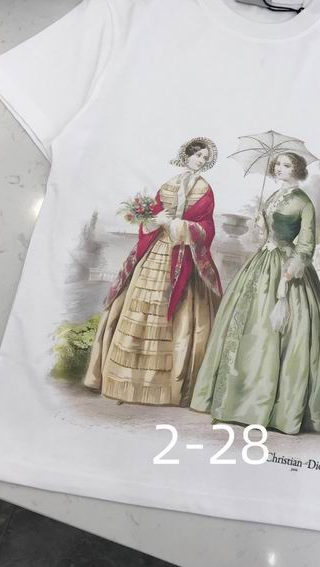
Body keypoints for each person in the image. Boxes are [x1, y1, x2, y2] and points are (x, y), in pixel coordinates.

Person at [191, 152, 320, 434]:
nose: (279, 169)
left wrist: (291, 270)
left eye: (286, 165)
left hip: (285, 266)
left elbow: (306, 244)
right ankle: (236, 400)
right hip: (261, 262)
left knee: (276, 335)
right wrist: (260, 226)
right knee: (246, 328)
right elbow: (264, 236)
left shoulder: (302, 201)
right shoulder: (274, 196)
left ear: (297, 169)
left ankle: (272, 408)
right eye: (277, 164)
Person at [84, 137, 222, 406]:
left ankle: (167, 389)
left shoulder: (204, 189)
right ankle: (125, 384)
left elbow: (207, 226)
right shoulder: (169, 184)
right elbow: (152, 217)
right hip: (156, 250)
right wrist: (155, 220)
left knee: (176, 316)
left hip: (182, 253)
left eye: (205, 159)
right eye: (197, 156)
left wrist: (180, 226)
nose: (200, 161)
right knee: (138, 306)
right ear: (186, 155)